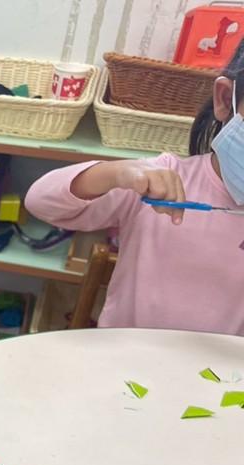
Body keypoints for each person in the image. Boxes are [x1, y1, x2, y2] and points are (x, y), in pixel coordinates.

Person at [25, 42, 244, 335]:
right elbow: (41, 201)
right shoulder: (162, 180)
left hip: (219, 366)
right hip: (123, 357)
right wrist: (117, 173)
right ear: (226, 99)